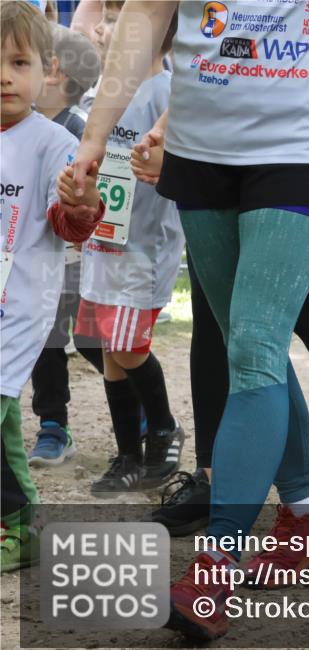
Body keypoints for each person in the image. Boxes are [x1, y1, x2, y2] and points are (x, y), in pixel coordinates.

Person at [71, 0, 309, 641]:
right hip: (200, 152)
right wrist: (96, 136)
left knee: (257, 342)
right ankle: (306, 513)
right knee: (245, 340)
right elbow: (148, 14)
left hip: (305, 149)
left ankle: (216, 569)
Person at [135, 2, 309, 538]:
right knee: (221, 318)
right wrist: (174, 122)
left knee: (308, 314)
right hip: (217, 143)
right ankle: (219, 472)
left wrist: (273, 85)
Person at [1, 0, 104, 572]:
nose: (4, 76)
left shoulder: (51, 143)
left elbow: (71, 225)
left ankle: (21, 523)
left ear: (47, 71)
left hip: (18, 309)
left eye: (18, 63)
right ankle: (20, 526)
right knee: (5, 422)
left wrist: (82, 200)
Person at [73, 5, 184, 497]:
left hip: (145, 247)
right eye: (105, 15)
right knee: (108, 351)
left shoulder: (166, 95)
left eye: (116, 17)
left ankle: (163, 428)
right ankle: (127, 455)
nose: (103, 27)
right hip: (104, 245)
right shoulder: (104, 96)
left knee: (126, 347)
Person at [27, 23, 104, 466]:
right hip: (34, 259)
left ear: (53, 73)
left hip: (79, 258)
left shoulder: (78, 132)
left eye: (24, 61)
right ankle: (53, 425)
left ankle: (141, 402)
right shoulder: (21, 127)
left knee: (91, 341)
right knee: (46, 339)